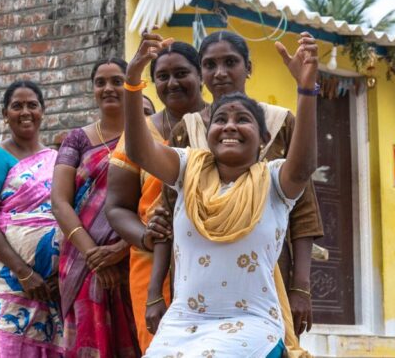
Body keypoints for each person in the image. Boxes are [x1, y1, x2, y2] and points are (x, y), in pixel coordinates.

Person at [121, 30, 319, 357]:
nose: (229, 126)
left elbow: (303, 170)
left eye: (242, 120)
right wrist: (132, 78)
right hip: (185, 324)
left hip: (252, 321)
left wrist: (307, 90)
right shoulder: (188, 167)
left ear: (263, 137)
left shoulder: (274, 179)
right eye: (220, 120)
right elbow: (141, 153)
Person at [175, 30, 324, 350]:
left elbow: (304, 208)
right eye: (210, 65)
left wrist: (301, 286)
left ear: (249, 68)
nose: (220, 73)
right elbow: (168, 208)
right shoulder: (186, 129)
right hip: (196, 280)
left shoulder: (280, 122)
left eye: (230, 62)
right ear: (201, 73)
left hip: (268, 272)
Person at [104, 43, 206, 351]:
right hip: (152, 266)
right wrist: (148, 237)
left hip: (213, 257)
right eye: (162, 76)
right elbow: (117, 207)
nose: (171, 83)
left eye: (181, 73)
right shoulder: (140, 134)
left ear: (200, 76)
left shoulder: (222, 124)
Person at [51, 58, 140, 358]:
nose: (108, 88)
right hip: (82, 261)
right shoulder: (76, 139)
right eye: (100, 82)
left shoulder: (147, 134)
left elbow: (158, 200)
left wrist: (120, 251)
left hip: (136, 255)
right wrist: (94, 255)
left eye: (117, 80)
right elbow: (59, 201)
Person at [0, 80, 64, 357]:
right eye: (17, 106)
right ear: (4, 114)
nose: (25, 112)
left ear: (42, 111)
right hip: (10, 283)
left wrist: (59, 274)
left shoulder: (56, 159)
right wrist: (24, 273)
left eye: (32, 105)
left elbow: (65, 215)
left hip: (50, 289)